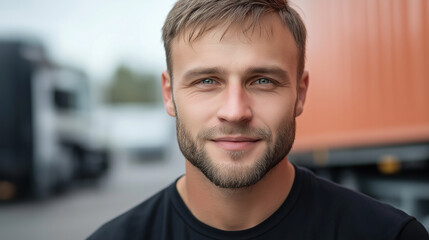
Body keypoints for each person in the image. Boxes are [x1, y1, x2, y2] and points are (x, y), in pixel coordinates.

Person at [87, 0, 429, 239]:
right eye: (207, 81)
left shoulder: (388, 235)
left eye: (262, 80)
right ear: (168, 93)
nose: (235, 111)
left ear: (300, 92)